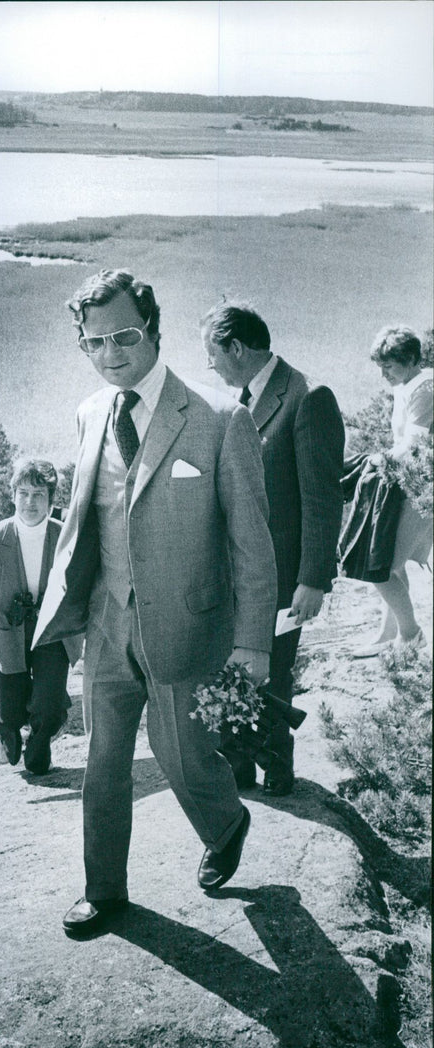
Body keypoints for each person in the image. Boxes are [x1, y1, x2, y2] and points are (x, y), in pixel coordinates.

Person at [32, 269, 277, 938]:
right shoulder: (89, 413)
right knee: (103, 760)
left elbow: (253, 544)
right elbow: (86, 518)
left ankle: (226, 823)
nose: (111, 353)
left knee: (183, 757)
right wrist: (65, 611)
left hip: (186, 626)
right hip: (109, 626)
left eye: (125, 336)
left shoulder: (219, 420)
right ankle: (103, 890)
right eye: (95, 342)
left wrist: (254, 642)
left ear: (155, 331)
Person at [201, 302, 345, 795]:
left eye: (212, 355)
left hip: (284, 572)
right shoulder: (243, 400)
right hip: (240, 568)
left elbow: (323, 498)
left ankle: (277, 769)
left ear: (236, 347)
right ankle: (239, 765)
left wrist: (313, 579)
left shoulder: (307, 397)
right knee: (233, 664)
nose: (210, 367)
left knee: (274, 670)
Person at [0, 459, 82, 774]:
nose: (30, 502)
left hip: (52, 631)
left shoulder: (64, 534)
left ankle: (40, 740)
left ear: (51, 499)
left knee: (49, 706)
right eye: (23, 493)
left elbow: (83, 584)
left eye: (39, 494)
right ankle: (3, 723)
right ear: (13, 495)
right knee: (12, 708)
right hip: (7, 631)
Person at [348, 326, 432, 656]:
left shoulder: (425, 387)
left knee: (379, 565)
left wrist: (375, 459)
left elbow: (414, 444)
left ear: (410, 359)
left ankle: (411, 635)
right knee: (390, 565)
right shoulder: (406, 385)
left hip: (423, 484)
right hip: (406, 479)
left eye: (389, 366)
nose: (383, 373)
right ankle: (390, 634)